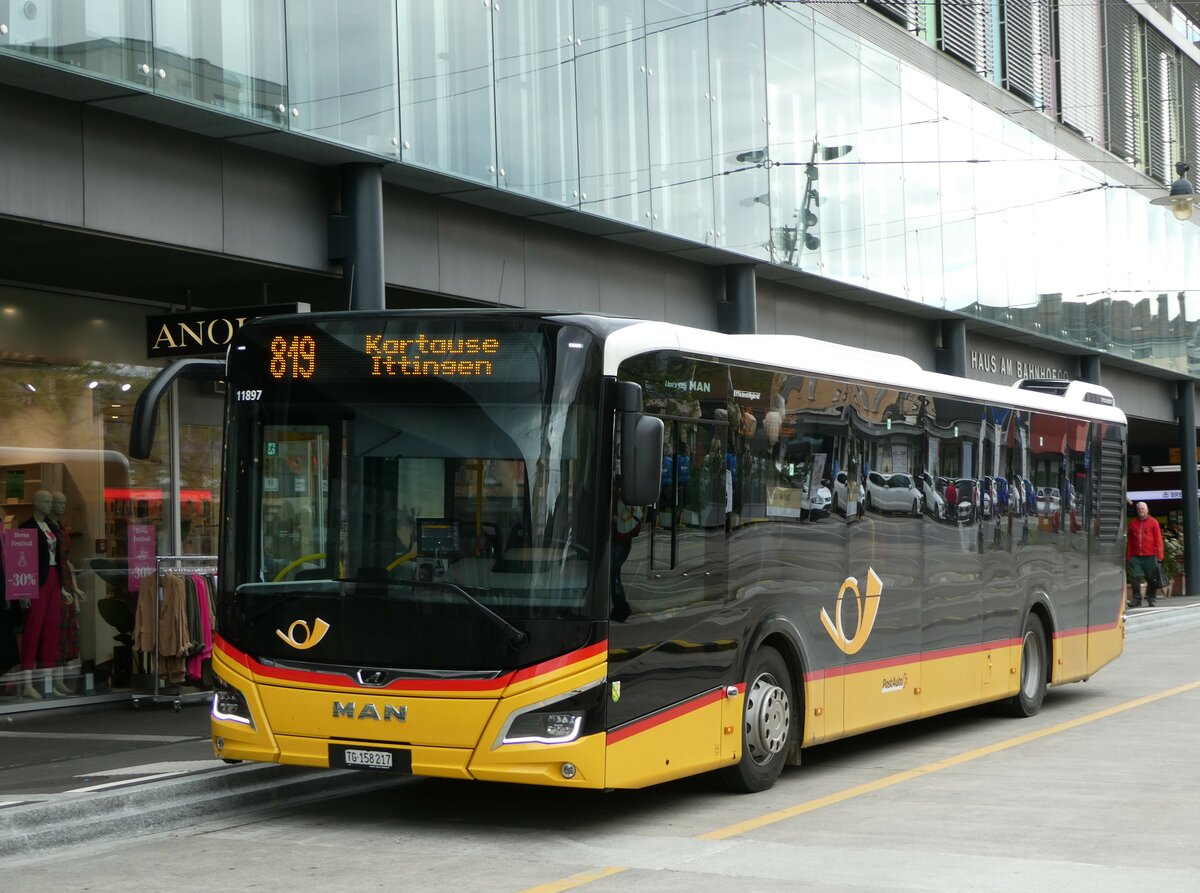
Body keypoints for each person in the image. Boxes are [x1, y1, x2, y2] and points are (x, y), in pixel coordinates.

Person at [17, 490, 66, 698]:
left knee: (52, 630)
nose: (49, 505)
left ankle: (48, 681)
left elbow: (58, 555)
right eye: (45, 501)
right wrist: (23, 591)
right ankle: (27, 682)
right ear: (35, 503)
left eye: (50, 501)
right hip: (36, 581)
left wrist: (63, 586)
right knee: (33, 629)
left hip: (54, 578)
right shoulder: (26, 527)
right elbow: (21, 559)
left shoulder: (52, 527)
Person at [49, 491, 84, 696]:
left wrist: (75, 586)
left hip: (65, 578)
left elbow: (66, 561)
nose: (62, 506)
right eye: (58, 503)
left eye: (64, 502)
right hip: (55, 580)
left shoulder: (61, 528)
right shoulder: (48, 529)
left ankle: (59, 679)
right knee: (57, 630)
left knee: (66, 629)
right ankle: (50, 680)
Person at [610, 481, 643, 623]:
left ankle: (621, 607)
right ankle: (620, 607)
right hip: (623, 542)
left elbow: (619, 517)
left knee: (613, 574)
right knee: (613, 574)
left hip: (619, 541)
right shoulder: (629, 494)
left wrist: (614, 518)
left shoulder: (620, 496)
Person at [1127, 501, 1164, 607]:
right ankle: (1136, 599)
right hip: (1135, 555)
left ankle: (1151, 598)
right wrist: (1128, 556)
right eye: (1139, 509)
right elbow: (1129, 541)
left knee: (1151, 578)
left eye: (1143, 509)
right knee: (1134, 577)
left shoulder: (1154, 522)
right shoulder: (1133, 523)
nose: (1141, 510)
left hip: (1150, 555)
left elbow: (1158, 539)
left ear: (1147, 510)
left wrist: (1159, 555)